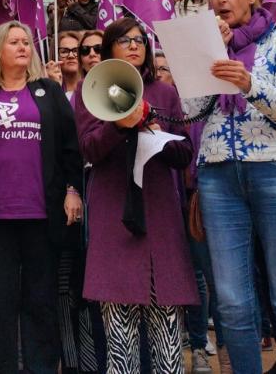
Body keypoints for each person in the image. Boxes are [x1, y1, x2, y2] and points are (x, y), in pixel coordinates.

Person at [183, 0, 276, 374]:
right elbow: (190, 112)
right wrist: (208, 58)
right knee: (232, 301)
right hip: (219, 175)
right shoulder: (207, 46)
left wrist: (248, 83)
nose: (219, 0)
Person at [0, 21, 83, 374]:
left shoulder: (49, 91)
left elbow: (70, 148)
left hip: (42, 215)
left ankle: (41, 368)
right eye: (14, 42)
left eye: (26, 42)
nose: (23, 47)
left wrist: (73, 191)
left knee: (40, 301)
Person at [73, 19, 195, 374]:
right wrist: (118, 126)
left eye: (140, 39)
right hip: (114, 215)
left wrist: (158, 135)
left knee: (167, 323)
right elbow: (89, 150)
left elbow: (185, 154)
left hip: (159, 213)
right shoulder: (90, 89)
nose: (134, 45)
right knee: (119, 329)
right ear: (110, 47)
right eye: (125, 40)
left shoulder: (164, 93)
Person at [56, 31, 84, 98]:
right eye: (64, 51)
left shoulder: (95, 86)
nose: (71, 56)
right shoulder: (46, 87)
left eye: (76, 51)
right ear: (56, 56)